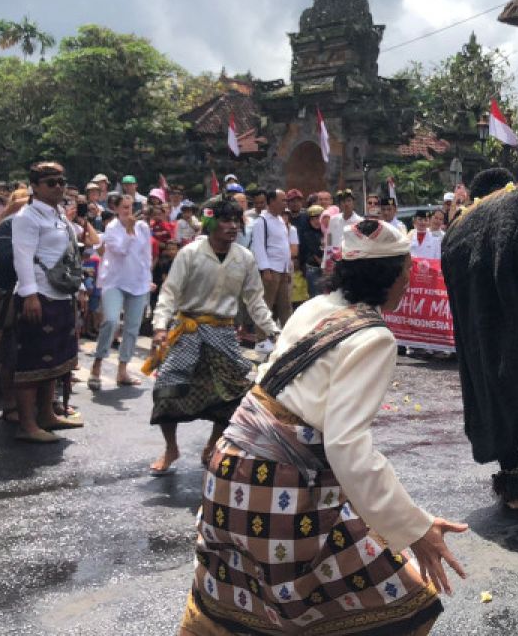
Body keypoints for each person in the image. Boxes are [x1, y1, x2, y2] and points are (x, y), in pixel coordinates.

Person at [179, 219, 467, 635]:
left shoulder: (314, 307)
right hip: (279, 488)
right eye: (407, 269)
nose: (410, 279)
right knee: (406, 604)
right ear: (389, 276)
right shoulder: (373, 338)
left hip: (228, 473)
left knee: (237, 602)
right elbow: (348, 448)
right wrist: (417, 528)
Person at [144, 195, 280, 474]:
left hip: (223, 333)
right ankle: (171, 448)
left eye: (236, 221)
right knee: (166, 389)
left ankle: (212, 445)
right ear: (210, 223)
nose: (232, 226)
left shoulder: (244, 258)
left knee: (232, 396)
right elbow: (170, 293)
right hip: (188, 331)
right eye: (225, 220)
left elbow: (255, 301)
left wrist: (274, 332)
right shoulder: (190, 253)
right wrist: (159, 327)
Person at [12, 162, 86, 442]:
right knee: (33, 361)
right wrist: (30, 295)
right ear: (35, 186)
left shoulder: (57, 215)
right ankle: (27, 425)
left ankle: (47, 414)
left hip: (61, 295)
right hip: (39, 296)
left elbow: (72, 251)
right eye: (51, 182)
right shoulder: (27, 217)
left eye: (61, 181)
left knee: (55, 360)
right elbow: (23, 257)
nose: (58, 186)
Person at [89, 193, 149, 390]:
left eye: (130, 207)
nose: (128, 211)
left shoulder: (143, 227)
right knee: (111, 320)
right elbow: (121, 251)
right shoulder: (112, 228)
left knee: (132, 327)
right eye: (124, 207)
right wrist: (130, 231)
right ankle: (97, 363)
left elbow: (146, 255)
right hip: (114, 281)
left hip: (138, 283)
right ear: (115, 209)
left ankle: (123, 369)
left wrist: (148, 279)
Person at [0, 189, 29, 423]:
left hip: (28, 293)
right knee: (4, 346)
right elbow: (7, 263)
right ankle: (9, 403)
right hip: (5, 293)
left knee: (25, 350)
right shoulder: (6, 228)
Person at [251, 189, 294, 340]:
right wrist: (265, 269)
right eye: (282, 200)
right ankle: (261, 338)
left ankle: (288, 337)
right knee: (266, 305)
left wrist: (287, 268)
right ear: (271, 202)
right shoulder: (261, 222)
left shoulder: (281, 220)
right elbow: (259, 247)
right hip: (270, 270)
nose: (285, 203)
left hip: (282, 269)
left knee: (285, 305)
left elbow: (284, 245)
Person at [326, 189, 362, 260]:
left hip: (352, 259)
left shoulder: (360, 221)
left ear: (353, 203)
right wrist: (327, 258)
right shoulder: (333, 219)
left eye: (349, 200)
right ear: (339, 204)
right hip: (335, 259)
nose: (346, 204)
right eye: (343, 201)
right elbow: (329, 239)